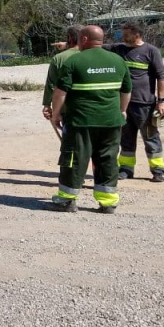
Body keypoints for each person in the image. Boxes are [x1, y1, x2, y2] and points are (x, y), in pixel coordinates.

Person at [48, 25, 132, 213]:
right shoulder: (118, 61)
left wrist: (55, 115)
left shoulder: (74, 61)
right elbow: (126, 90)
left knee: (74, 158)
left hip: (81, 122)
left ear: (84, 39)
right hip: (111, 122)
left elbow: (60, 93)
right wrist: (122, 111)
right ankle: (108, 201)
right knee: (108, 159)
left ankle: (67, 200)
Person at [106, 22, 164, 182]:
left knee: (150, 137)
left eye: (125, 34)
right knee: (126, 139)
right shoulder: (119, 49)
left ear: (136, 34)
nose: (122, 37)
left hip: (145, 104)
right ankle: (126, 169)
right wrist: (69, 44)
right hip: (123, 105)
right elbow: (95, 45)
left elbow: (161, 77)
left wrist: (161, 101)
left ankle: (158, 169)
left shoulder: (151, 51)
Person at [42, 25, 82, 122]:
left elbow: (51, 84)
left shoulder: (59, 58)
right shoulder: (93, 55)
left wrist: (47, 105)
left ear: (69, 38)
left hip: (68, 109)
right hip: (92, 108)